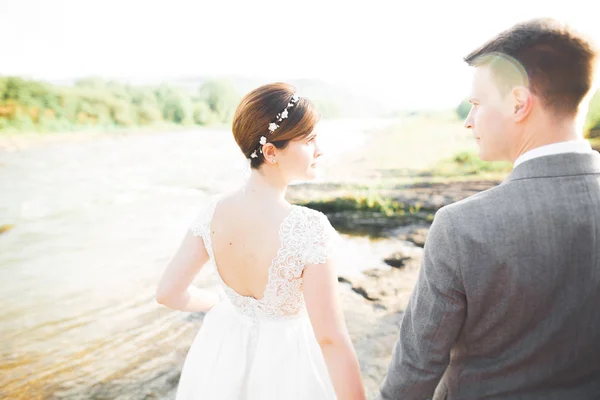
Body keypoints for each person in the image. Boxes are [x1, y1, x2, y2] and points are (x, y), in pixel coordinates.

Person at [378, 18, 600, 399]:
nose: (469, 121)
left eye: (477, 104)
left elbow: (416, 370)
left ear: (518, 103)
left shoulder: (461, 226)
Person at [156, 82, 366, 400]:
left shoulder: (211, 213)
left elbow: (168, 294)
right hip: (288, 364)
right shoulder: (309, 226)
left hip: (222, 354)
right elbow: (331, 339)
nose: (319, 150)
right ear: (271, 152)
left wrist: (218, 303)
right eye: (309, 140)